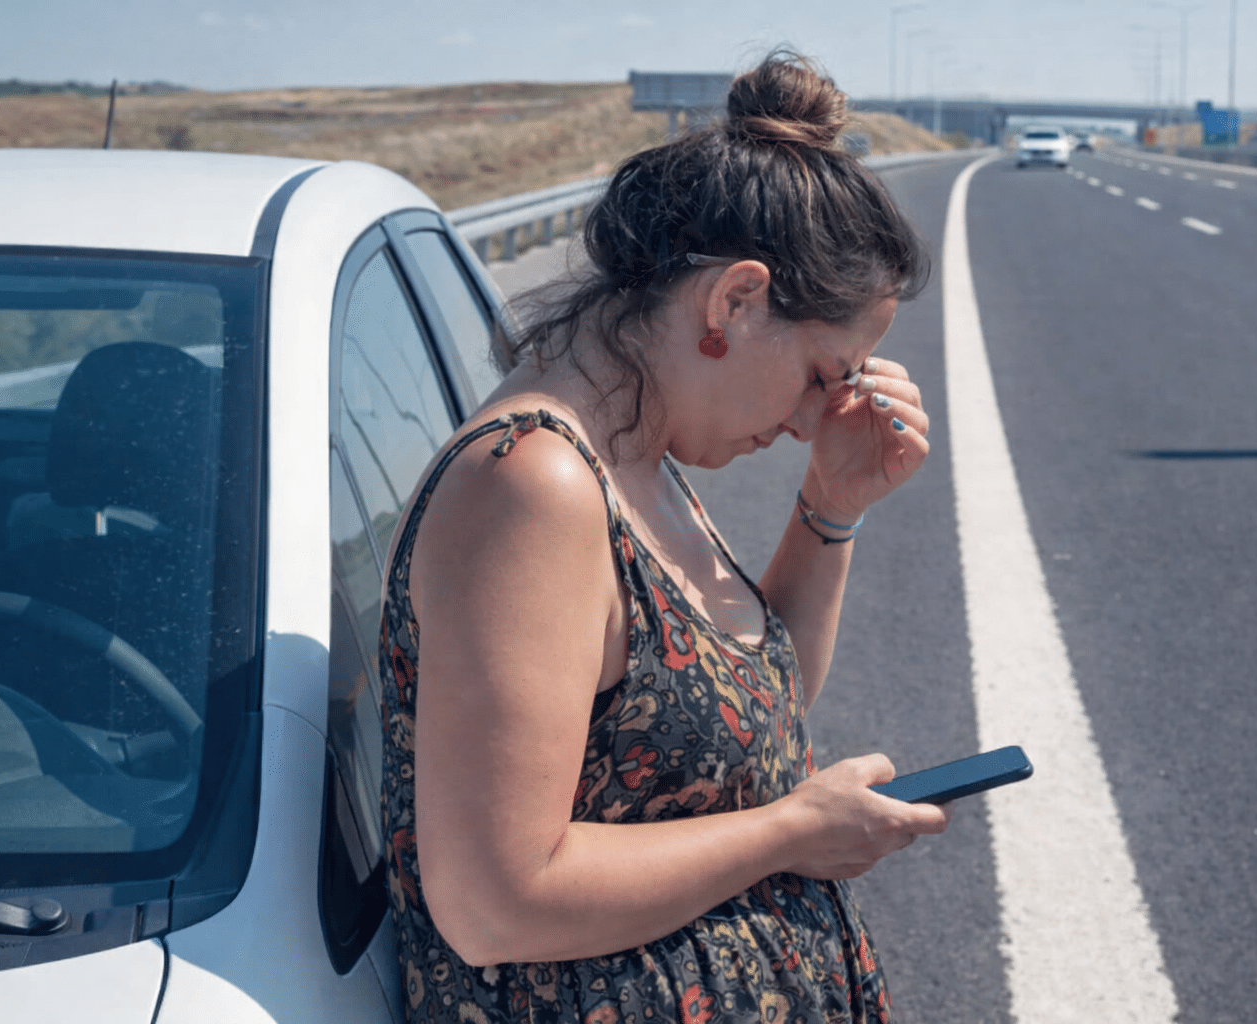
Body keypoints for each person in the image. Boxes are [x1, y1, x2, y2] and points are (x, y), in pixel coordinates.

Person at [380, 50, 949, 1024]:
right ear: (733, 302)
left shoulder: (635, 455)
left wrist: (833, 503)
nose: (819, 416)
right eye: (824, 372)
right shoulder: (533, 487)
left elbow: (746, 727)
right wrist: (785, 834)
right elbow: (495, 899)